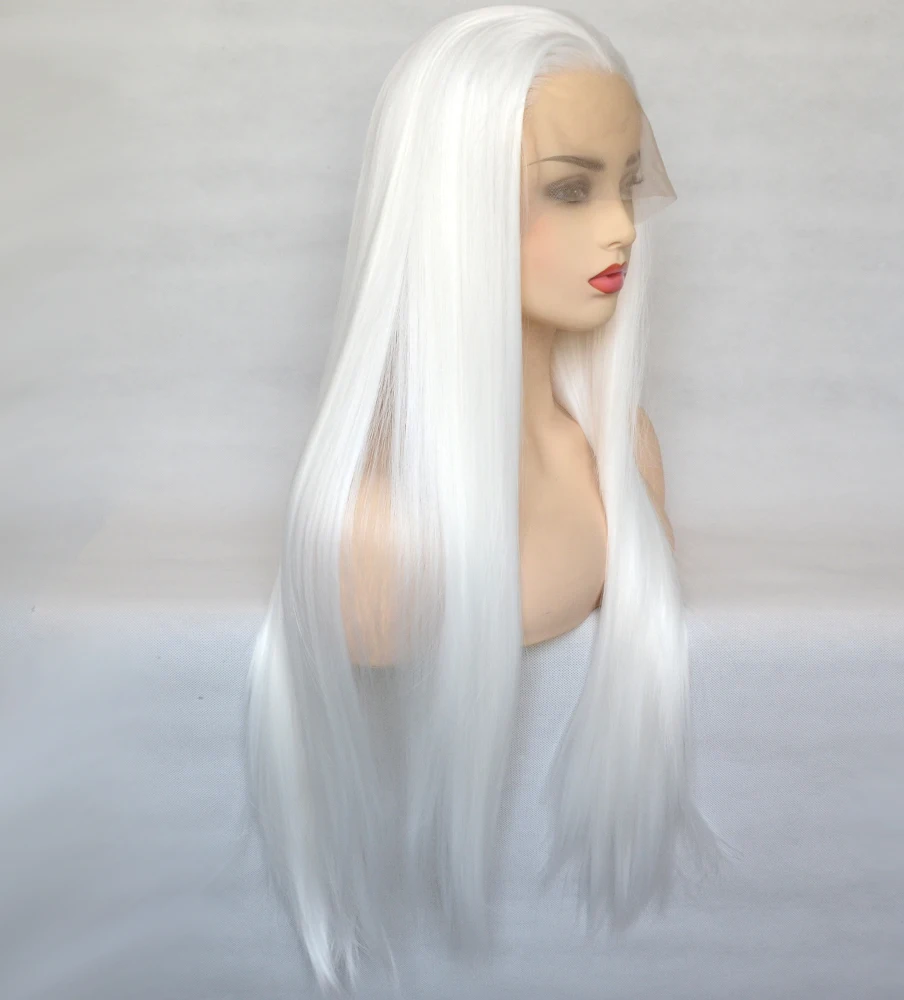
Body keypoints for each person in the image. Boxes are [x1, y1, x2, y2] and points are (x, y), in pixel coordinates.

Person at [246, 7, 735, 994]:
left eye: (625, 184)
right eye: (570, 188)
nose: (621, 227)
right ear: (451, 203)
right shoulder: (375, 531)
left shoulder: (622, 459)